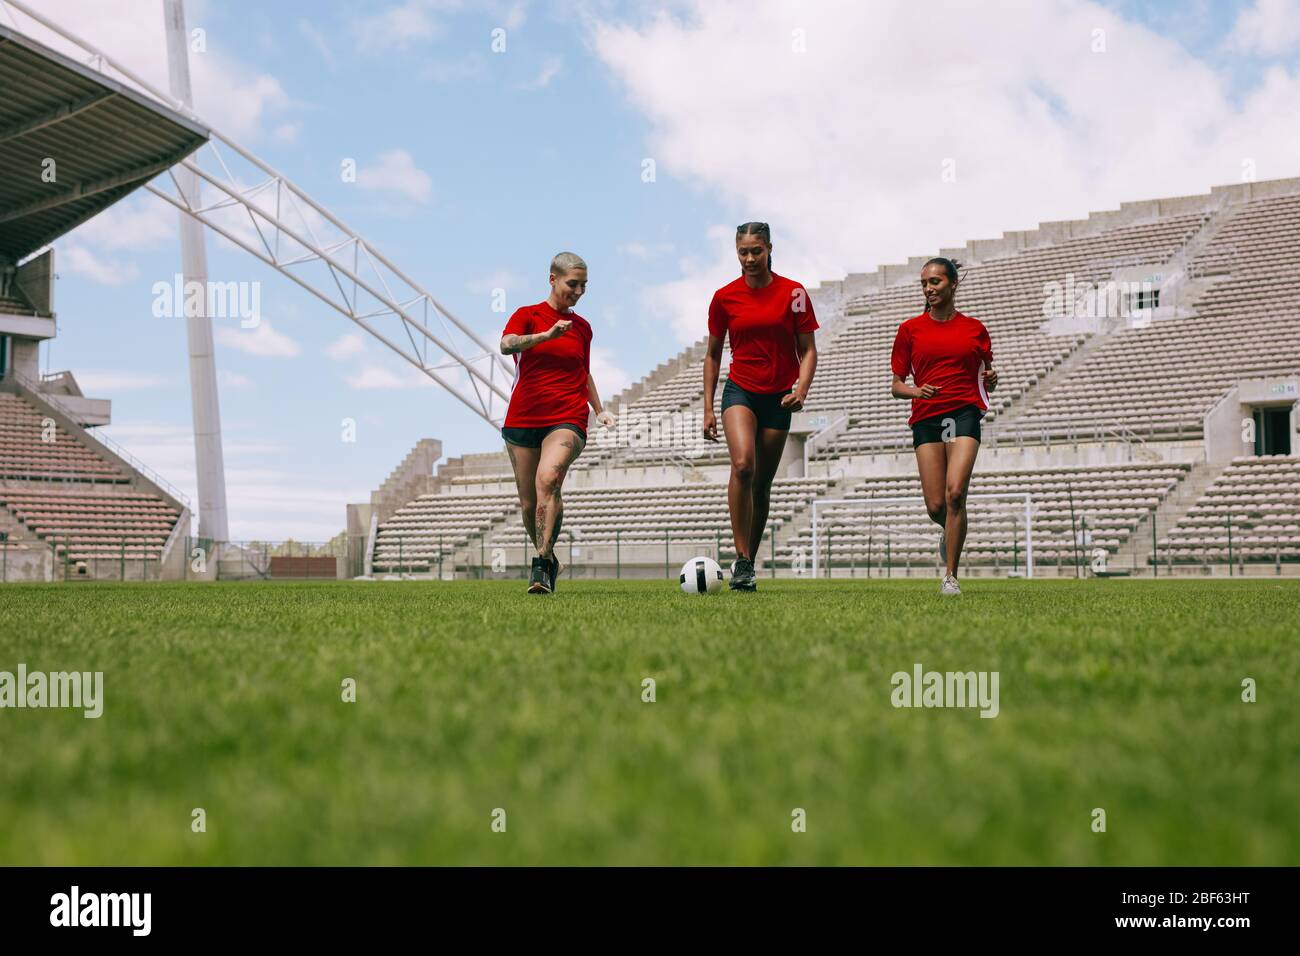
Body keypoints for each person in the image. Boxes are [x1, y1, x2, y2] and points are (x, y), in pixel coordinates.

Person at [702, 222, 818, 591]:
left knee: (763, 485)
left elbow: (808, 349)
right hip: (741, 391)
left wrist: (801, 388)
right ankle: (743, 556)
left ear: (769, 249)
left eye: (757, 251)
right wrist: (707, 407)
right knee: (743, 465)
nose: (750, 258)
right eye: (743, 252)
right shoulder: (724, 297)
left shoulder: (794, 293)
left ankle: (745, 567)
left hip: (779, 397)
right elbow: (712, 354)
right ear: (736, 252)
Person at [500, 252, 615, 594]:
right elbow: (507, 345)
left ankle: (540, 565)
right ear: (553, 279)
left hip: (567, 415)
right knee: (528, 503)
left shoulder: (583, 329)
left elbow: (584, 372)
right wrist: (545, 336)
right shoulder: (527, 315)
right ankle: (551, 560)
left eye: (584, 286)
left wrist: (599, 408)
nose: (579, 291)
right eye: (572, 284)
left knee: (548, 479)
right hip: (523, 416)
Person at [890, 257, 997, 596]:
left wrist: (992, 379)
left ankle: (950, 575)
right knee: (937, 506)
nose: (928, 288)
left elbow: (986, 377)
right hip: (926, 418)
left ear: (953, 284)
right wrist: (915, 390)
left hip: (962, 413)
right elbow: (896, 385)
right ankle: (950, 530)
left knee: (955, 494)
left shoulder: (974, 329)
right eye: (924, 283)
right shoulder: (910, 329)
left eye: (935, 282)